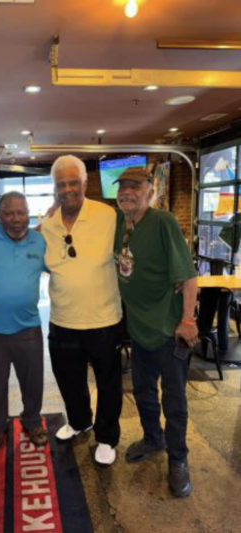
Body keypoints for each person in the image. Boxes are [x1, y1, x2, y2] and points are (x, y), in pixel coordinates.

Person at [114, 167, 198, 497]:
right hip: (139, 328)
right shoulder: (120, 224)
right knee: (144, 391)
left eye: (135, 186)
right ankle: (153, 438)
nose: (128, 192)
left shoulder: (162, 222)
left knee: (174, 400)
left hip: (168, 330)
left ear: (150, 190)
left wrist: (188, 320)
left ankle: (178, 459)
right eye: (123, 187)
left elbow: (188, 276)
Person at [42, 155, 122, 466]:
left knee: (109, 383)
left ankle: (107, 436)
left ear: (85, 183)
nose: (68, 189)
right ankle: (79, 422)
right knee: (68, 379)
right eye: (61, 184)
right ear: (55, 188)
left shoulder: (108, 215)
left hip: (103, 319)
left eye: (73, 182)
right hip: (62, 319)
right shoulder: (48, 222)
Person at [0, 191, 48, 450]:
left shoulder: (40, 241)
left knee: (33, 382)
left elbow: (65, 268)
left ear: (29, 214)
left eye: (21, 212)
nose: (16, 219)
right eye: (9, 213)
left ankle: (33, 421)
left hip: (28, 327)